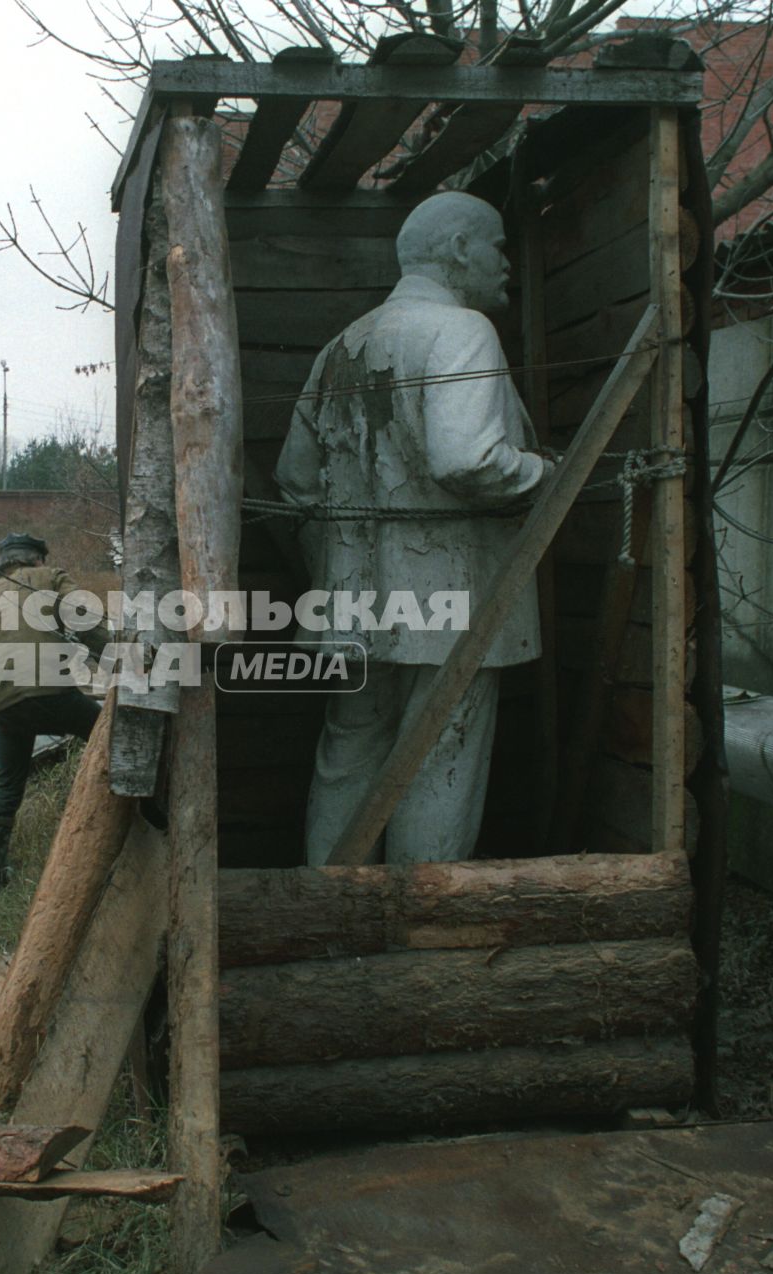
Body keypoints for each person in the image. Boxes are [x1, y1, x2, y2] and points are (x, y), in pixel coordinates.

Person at [274, 191, 553, 867]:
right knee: (439, 761)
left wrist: (342, 566)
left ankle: (328, 918)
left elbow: (294, 481)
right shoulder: (460, 331)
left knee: (348, 756)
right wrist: (545, 474)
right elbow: (466, 460)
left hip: (354, 609)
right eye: (495, 246)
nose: (505, 264)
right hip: (451, 606)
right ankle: (415, 933)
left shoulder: (342, 345)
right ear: (458, 249)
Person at [0, 531, 111, 896]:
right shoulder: (51, 577)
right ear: (38, 559)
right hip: (53, 692)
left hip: (6, 707)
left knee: (8, 783)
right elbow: (84, 620)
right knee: (112, 738)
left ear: (4, 561)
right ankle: (146, 819)